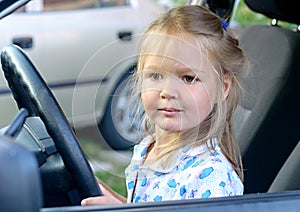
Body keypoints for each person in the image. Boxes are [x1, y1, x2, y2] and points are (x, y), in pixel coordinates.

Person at [81, 4, 250, 205]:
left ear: (222, 87)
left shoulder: (211, 176)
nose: (168, 91)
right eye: (156, 75)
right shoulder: (148, 148)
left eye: (188, 78)